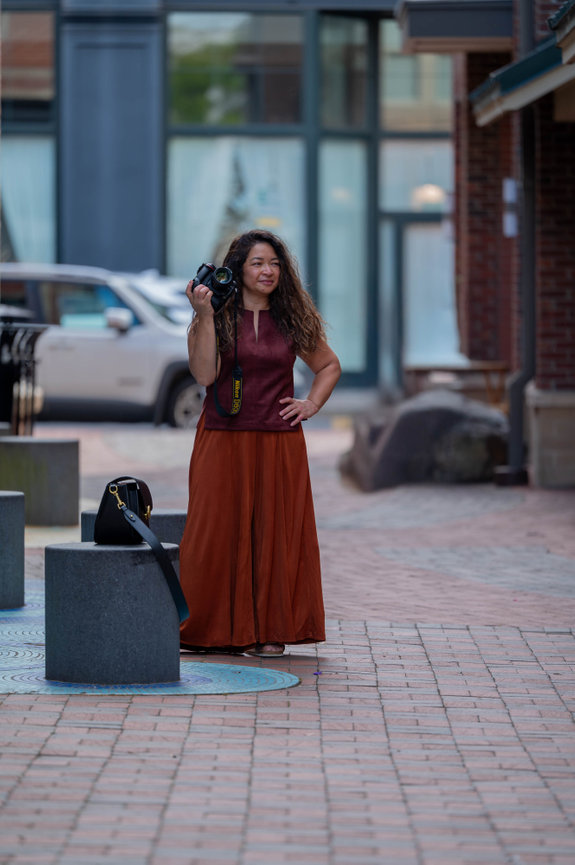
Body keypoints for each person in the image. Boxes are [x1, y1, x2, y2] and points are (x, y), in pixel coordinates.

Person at [179, 229, 341, 657]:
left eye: (274, 263)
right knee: (213, 531)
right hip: (221, 437)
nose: (268, 271)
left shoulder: (290, 318)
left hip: (278, 441)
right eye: (257, 263)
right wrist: (205, 315)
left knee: (274, 532)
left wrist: (311, 405)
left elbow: (328, 366)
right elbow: (203, 375)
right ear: (238, 268)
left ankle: (272, 630)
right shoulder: (217, 314)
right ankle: (210, 629)